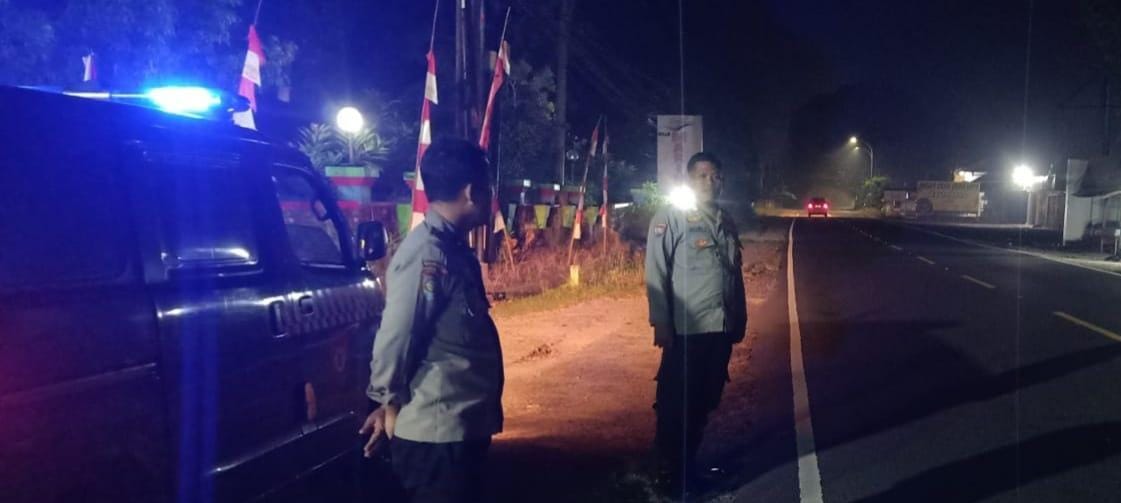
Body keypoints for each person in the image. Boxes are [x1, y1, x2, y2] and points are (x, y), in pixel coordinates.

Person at [360, 138, 504, 503]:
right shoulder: (427, 254)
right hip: (437, 437)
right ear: (471, 192)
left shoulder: (452, 248)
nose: (492, 199)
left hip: (459, 429)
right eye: (488, 189)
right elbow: (398, 336)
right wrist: (386, 401)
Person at [644, 151, 747, 495]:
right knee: (677, 406)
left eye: (715, 176)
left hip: (720, 328)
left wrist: (740, 318)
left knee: (704, 402)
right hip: (687, 330)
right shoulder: (670, 218)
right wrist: (661, 322)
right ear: (689, 180)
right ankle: (668, 478)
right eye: (702, 176)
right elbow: (656, 271)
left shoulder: (725, 220)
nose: (709, 182)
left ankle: (688, 471)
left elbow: (733, 275)